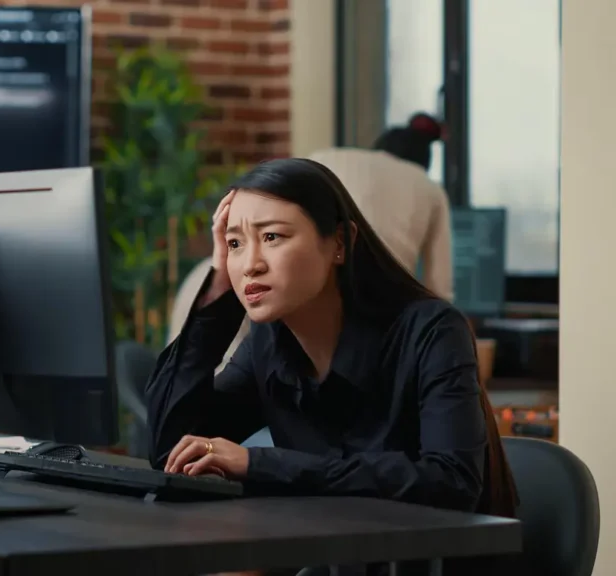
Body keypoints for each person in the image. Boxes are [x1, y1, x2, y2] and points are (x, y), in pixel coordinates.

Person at [147, 159, 517, 575]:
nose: (250, 264)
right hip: (327, 558)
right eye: (235, 243)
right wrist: (218, 282)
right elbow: (171, 450)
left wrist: (258, 463)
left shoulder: (431, 330)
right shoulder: (269, 341)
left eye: (271, 237)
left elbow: (452, 484)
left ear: (340, 242)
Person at [169, 113, 452, 368]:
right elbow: (439, 290)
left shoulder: (324, 157)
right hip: (336, 317)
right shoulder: (428, 189)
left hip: (210, 285)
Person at [308, 113, 452, 300]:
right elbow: (439, 286)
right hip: (384, 303)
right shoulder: (429, 187)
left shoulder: (322, 159)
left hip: (307, 293)